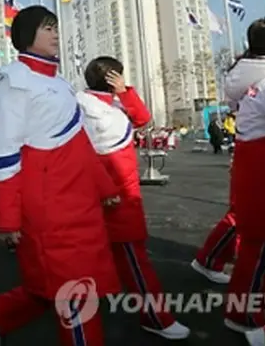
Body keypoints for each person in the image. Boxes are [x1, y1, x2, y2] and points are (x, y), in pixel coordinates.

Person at [0, 6, 122, 346]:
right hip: (49, 205)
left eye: (55, 26)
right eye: (46, 27)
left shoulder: (60, 83)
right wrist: (7, 218)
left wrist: (105, 187)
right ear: (26, 35)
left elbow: (80, 141)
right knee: (73, 291)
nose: (55, 33)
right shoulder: (13, 79)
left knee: (57, 285)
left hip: (81, 201)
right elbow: (6, 149)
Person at [77, 56, 190, 340]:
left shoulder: (111, 104)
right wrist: (106, 191)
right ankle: (155, 316)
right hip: (115, 194)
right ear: (111, 78)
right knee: (133, 258)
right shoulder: (94, 111)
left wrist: (125, 93)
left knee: (110, 256)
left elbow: (142, 118)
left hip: (116, 191)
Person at [192, 18, 265, 291]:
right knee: (256, 232)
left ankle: (211, 258)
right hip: (261, 161)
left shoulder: (248, 73)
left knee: (248, 223)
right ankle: (244, 309)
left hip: (253, 157)